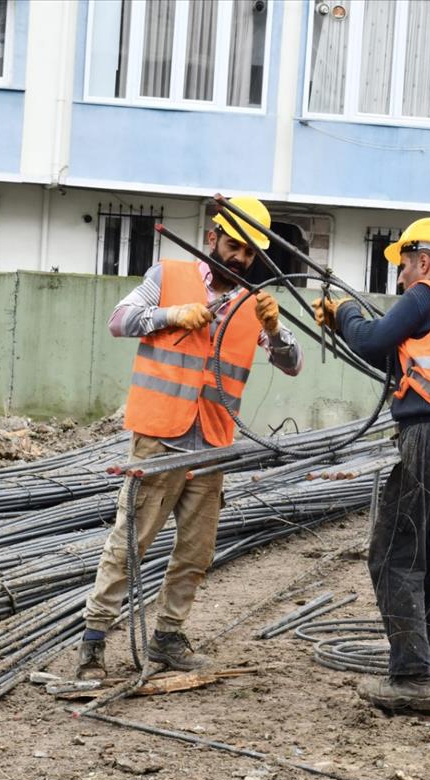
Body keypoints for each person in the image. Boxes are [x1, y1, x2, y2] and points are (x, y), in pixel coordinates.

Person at [76, 197, 303, 679]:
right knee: (130, 543)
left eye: (248, 251)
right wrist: (173, 315)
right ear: (212, 239)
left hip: (213, 442)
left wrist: (276, 330)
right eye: (233, 245)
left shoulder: (250, 302)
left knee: (196, 552)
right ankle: (94, 641)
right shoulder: (168, 275)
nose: (239, 257)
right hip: (160, 438)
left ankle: (168, 637)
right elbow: (119, 320)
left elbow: (292, 365)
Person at [312, 217, 430, 716]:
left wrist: (344, 312)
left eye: (404, 265)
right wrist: (347, 328)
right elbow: (395, 363)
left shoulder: (427, 293)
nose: (401, 277)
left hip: (429, 441)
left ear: (425, 260)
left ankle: (411, 677)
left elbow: (371, 340)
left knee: (393, 554)